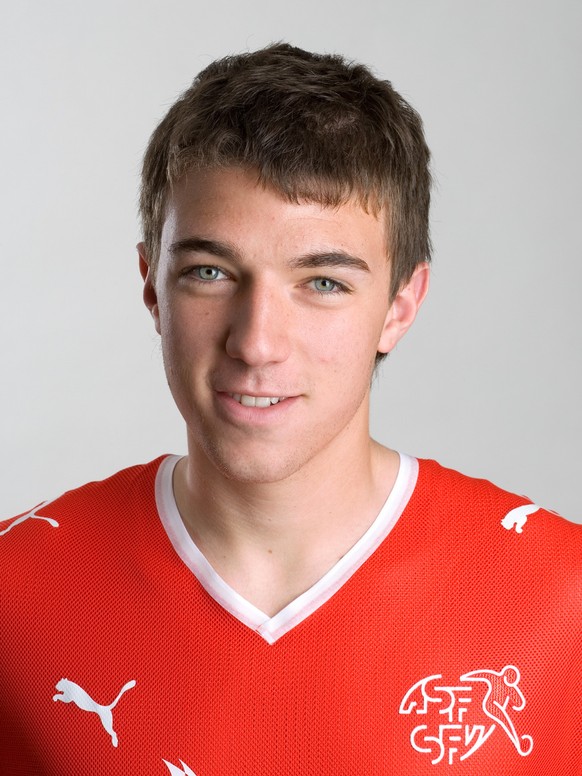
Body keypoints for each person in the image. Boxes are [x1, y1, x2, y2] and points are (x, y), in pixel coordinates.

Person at [0, 43, 579, 776]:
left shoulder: (562, 598)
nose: (258, 341)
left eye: (324, 283)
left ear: (400, 307)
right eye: (210, 273)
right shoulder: (13, 593)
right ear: (152, 286)